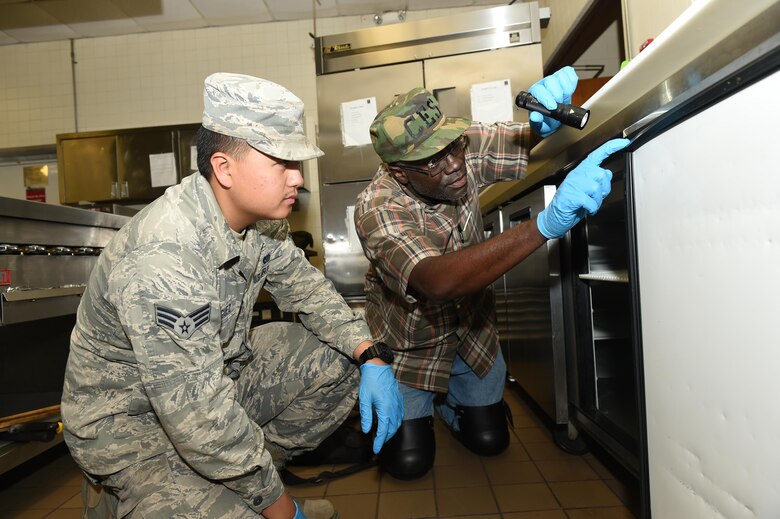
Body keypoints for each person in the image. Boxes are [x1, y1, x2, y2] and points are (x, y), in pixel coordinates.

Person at [61, 72, 403, 519]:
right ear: (224, 168)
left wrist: (370, 354)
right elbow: (197, 415)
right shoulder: (165, 257)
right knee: (236, 487)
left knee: (339, 357)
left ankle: (252, 481)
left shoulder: (260, 224)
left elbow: (309, 292)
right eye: (282, 163)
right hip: (133, 428)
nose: (297, 179)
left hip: (209, 385)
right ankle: (139, 495)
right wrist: (283, 512)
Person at [353, 66, 629, 480]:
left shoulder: (454, 150)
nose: (453, 165)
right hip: (412, 346)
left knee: (490, 440)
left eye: (454, 146)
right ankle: (426, 407)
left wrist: (544, 123)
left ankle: (450, 405)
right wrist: (544, 225)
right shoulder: (376, 206)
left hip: (471, 333)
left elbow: (516, 138)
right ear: (399, 173)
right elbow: (437, 282)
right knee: (409, 463)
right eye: (432, 162)